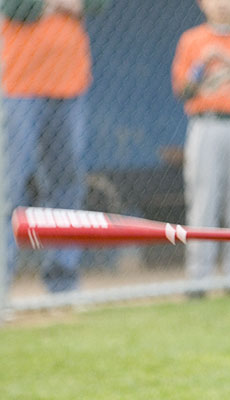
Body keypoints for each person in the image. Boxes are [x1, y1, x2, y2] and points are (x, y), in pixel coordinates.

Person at [1, 0, 109, 292]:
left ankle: (63, 282)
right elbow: (14, 7)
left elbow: (99, 5)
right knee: (8, 188)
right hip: (18, 87)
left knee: (66, 185)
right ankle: (1, 282)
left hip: (69, 86)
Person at [171, 0, 230, 286]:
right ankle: (198, 277)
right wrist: (203, 63)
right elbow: (183, 90)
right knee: (203, 200)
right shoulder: (192, 39)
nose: (222, 4)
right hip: (205, 123)